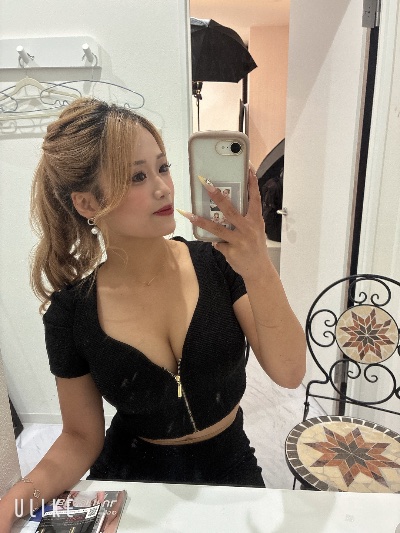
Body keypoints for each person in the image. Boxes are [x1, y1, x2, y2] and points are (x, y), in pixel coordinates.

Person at [0, 97, 306, 531]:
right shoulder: (71, 314)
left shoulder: (219, 265)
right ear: (87, 204)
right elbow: (79, 438)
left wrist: (258, 266)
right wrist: (9, 507)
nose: (163, 188)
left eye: (163, 167)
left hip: (230, 469)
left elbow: (290, 372)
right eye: (137, 176)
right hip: (132, 482)